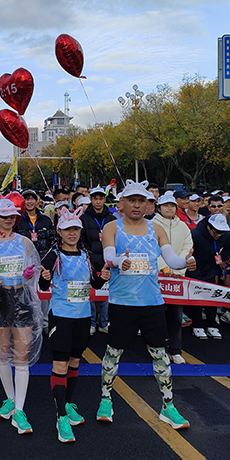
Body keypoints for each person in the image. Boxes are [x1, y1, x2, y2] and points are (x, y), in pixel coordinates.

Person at [98, 181, 196, 429]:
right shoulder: (112, 227)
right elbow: (108, 256)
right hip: (122, 302)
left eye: (141, 201)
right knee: (113, 352)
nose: (136, 205)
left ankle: (168, 406)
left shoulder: (156, 229)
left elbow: (171, 260)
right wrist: (118, 261)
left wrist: (185, 261)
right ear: (121, 203)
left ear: (149, 204)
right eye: (131, 200)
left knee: (159, 354)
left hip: (152, 302)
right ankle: (105, 399)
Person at [40, 207, 110, 442]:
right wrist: (44, 278)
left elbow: (94, 284)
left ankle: (68, 404)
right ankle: (60, 416)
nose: (72, 234)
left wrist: (103, 278)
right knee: (60, 365)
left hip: (82, 317)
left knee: (74, 362)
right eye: (67, 229)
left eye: (76, 230)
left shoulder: (86, 254)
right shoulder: (54, 255)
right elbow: (42, 284)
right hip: (61, 316)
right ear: (59, 232)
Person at [0, 198, 42, 434]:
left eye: (12, 216)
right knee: (3, 352)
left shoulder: (24, 242)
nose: (8, 219)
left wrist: (30, 274)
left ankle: (19, 409)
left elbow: (35, 271)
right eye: (3, 216)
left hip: (22, 297)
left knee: (22, 354)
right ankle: (10, 398)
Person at [152, 193, 193, 363]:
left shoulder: (182, 226)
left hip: (177, 277)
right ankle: (159, 349)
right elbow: (151, 249)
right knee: (157, 316)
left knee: (176, 316)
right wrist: (164, 267)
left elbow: (188, 247)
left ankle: (175, 350)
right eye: (166, 206)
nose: (169, 208)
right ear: (159, 208)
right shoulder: (151, 225)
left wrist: (178, 266)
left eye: (172, 205)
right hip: (157, 277)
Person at [187, 212, 230, 340]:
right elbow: (188, 251)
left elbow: (228, 248)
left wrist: (221, 258)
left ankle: (212, 324)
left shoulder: (225, 235)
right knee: (196, 297)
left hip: (211, 268)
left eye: (221, 232)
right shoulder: (195, 234)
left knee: (211, 296)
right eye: (216, 232)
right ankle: (197, 325)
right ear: (209, 227)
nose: (218, 235)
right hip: (196, 268)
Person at [81, 186, 116, 335]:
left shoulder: (112, 219)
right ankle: (91, 322)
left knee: (105, 294)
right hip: (90, 261)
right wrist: (87, 254)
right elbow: (81, 239)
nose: (98, 201)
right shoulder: (84, 218)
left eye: (100, 198)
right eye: (95, 198)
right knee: (90, 294)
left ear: (104, 199)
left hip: (107, 261)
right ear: (91, 199)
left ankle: (103, 322)